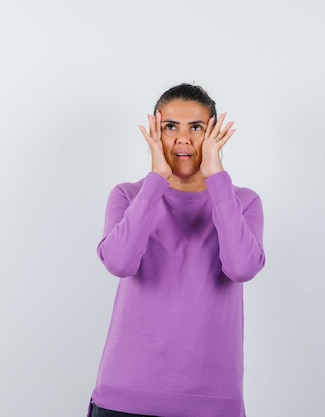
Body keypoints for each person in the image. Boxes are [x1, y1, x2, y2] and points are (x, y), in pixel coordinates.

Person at [88, 83, 266, 417]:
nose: (182, 139)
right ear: (155, 133)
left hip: (212, 403)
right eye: (170, 127)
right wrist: (157, 178)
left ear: (214, 134)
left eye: (196, 128)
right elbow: (119, 263)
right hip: (124, 398)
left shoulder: (242, 202)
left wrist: (217, 179)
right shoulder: (128, 196)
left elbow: (241, 268)